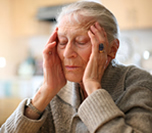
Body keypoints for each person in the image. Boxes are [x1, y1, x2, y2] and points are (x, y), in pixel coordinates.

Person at [1, 1, 152, 133]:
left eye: (81, 42)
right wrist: (45, 91)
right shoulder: (55, 89)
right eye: (62, 42)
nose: (67, 53)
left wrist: (93, 88)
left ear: (112, 49)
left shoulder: (137, 83)